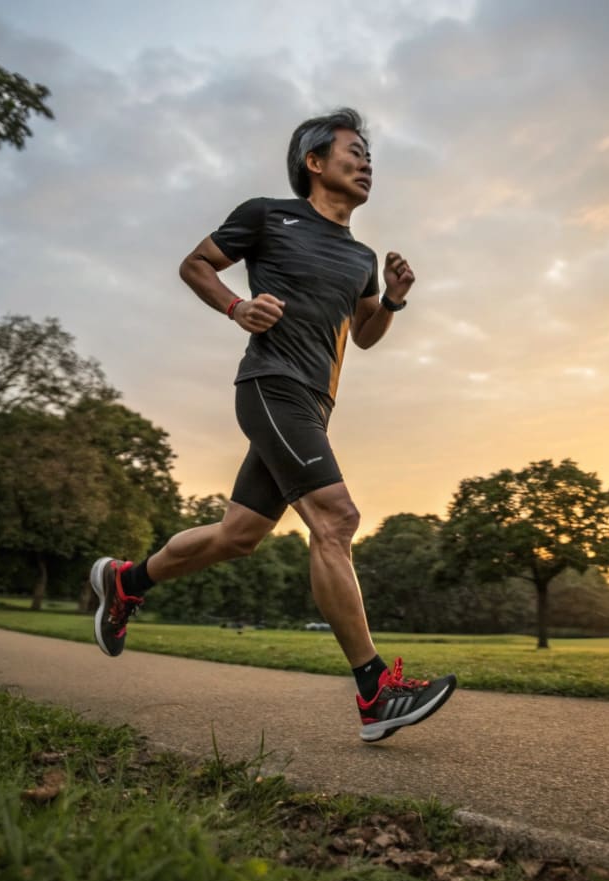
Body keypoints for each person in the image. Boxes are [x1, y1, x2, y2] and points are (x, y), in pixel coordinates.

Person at [89, 108, 456, 743]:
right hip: (271, 387)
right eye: (353, 151)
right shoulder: (268, 215)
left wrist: (393, 297)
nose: (367, 163)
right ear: (315, 163)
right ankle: (375, 692)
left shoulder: (359, 256)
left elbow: (363, 336)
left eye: (370, 155)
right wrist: (238, 306)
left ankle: (126, 581)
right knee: (336, 519)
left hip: (313, 404)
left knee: (238, 537)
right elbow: (196, 264)